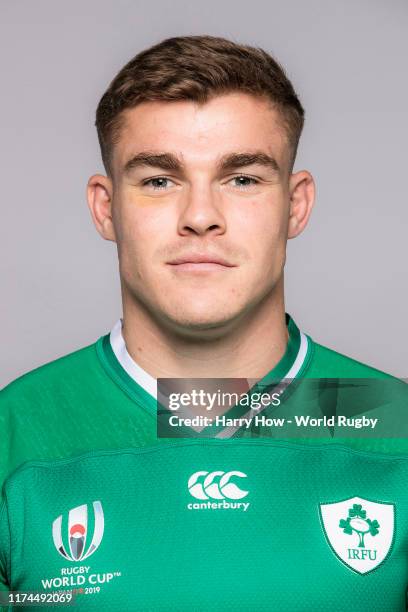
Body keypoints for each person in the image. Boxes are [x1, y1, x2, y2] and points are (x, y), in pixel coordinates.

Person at [0, 35, 407, 611]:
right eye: (159, 180)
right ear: (105, 207)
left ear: (295, 205)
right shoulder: (13, 435)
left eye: (242, 179)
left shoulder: (393, 424)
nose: (199, 217)